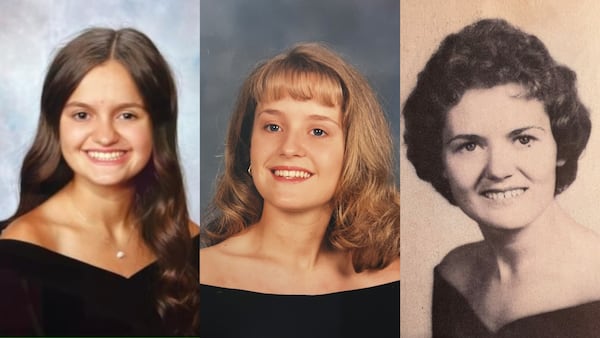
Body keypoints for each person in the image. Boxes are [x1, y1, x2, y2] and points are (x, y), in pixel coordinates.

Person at [403, 18, 600, 337]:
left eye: (523, 139)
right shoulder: (455, 274)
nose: (498, 169)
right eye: (469, 145)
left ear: (559, 146)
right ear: (439, 161)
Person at [0, 27, 199, 336]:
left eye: (127, 116)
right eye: (82, 115)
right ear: (56, 125)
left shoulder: (190, 242)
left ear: (157, 125)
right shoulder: (14, 260)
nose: (105, 136)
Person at [199, 42, 400, 338]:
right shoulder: (197, 276)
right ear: (248, 145)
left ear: (354, 152)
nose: (290, 148)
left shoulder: (401, 280)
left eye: (318, 131)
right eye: (273, 127)